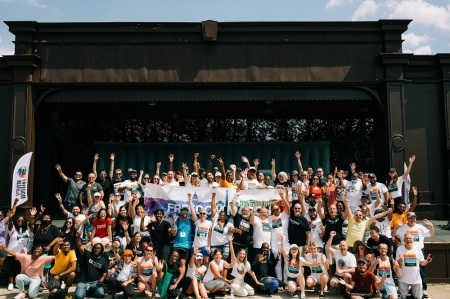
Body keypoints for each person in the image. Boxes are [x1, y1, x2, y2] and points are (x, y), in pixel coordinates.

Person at [392, 212, 434, 297]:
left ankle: (423, 289)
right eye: (411, 218)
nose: (412, 219)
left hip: (418, 250)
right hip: (405, 251)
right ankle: (404, 289)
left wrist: (431, 226)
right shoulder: (403, 227)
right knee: (405, 269)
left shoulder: (420, 227)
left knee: (421, 271)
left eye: (414, 218)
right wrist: (397, 226)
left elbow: (432, 234)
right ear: (407, 218)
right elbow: (392, 234)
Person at [318, 197, 350, 277]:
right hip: (328, 244)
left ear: (336, 210)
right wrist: (319, 204)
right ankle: (331, 278)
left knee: (339, 262)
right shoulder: (325, 218)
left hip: (337, 244)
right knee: (330, 263)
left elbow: (347, 213)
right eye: (331, 208)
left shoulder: (340, 217)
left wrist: (346, 205)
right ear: (328, 210)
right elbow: (319, 212)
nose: (332, 210)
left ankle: (339, 278)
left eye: (334, 208)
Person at [396, 233, 432, 299]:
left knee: (418, 297)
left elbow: (422, 263)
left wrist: (427, 260)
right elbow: (397, 265)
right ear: (404, 240)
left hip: (416, 280)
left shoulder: (418, 249)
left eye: (410, 238)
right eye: (407, 238)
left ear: (413, 240)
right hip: (403, 279)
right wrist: (399, 261)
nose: (408, 240)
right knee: (402, 297)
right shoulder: (399, 249)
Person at [74, 231, 108, 299]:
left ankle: (87, 291)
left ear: (102, 250)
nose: (96, 250)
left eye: (99, 248)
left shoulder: (103, 260)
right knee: (78, 296)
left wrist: (103, 278)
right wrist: (78, 237)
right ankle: (83, 290)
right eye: (95, 248)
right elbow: (79, 246)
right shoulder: (87, 255)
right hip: (83, 281)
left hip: (95, 282)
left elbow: (105, 271)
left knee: (100, 294)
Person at [6, 214, 31, 291]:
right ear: (16, 221)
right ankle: (10, 283)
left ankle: (16, 282)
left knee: (19, 268)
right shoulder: (12, 228)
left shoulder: (27, 230)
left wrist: (28, 250)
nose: (20, 222)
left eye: (22, 221)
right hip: (11, 252)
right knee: (11, 269)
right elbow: (10, 224)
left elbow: (28, 241)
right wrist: (10, 218)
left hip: (22, 253)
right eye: (18, 220)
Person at [171, 203, 196, 276]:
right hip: (176, 244)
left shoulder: (191, 222)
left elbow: (196, 231)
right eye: (183, 211)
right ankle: (173, 277)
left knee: (183, 262)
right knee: (174, 261)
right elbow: (173, 232)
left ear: (188, 213)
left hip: (186, 245)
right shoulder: (177, 220)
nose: (184, 213)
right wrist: (173, 222)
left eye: (186, 211)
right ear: (181, 213)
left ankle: (182, 278)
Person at [189, 193, 213, 265]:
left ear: (206, 215)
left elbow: (209, 236)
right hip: (196, 246)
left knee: (206, 262)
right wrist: (190, 199)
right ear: (199, 214)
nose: (202, 214)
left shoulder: (209, 223)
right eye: (201, 213)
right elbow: (192, 211)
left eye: (203, 213)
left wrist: (209, 246)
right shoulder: (197, 221)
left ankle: (204, 276)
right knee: (193, 263)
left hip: (204, 246)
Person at [209, 192, 235, 259]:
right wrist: (213, 197)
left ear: (226, 217)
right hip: (214, 245)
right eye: (221, 215)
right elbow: (213, 209)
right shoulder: (216, 219)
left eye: (224, 215)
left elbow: (231, 229)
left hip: (225, 245)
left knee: (224, 263)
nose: (222, 216)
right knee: (215, 262)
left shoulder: (229, 223)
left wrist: (236, 230)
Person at [230, 190, 253, 256]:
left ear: (249, 213)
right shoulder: (238, 217)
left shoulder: (251, 221)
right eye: (243, 210)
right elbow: (232, 206)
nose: (245, 212)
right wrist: (236, 195)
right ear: (241, 211)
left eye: (247, 211)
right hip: (236, 245)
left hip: (245, 247)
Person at [0, 198, 18, 275]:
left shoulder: (2, 222)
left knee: (1, 264)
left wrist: (15, 203)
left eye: (1, 215)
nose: (0, 216)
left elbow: (12, 213)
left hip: (1, 246)